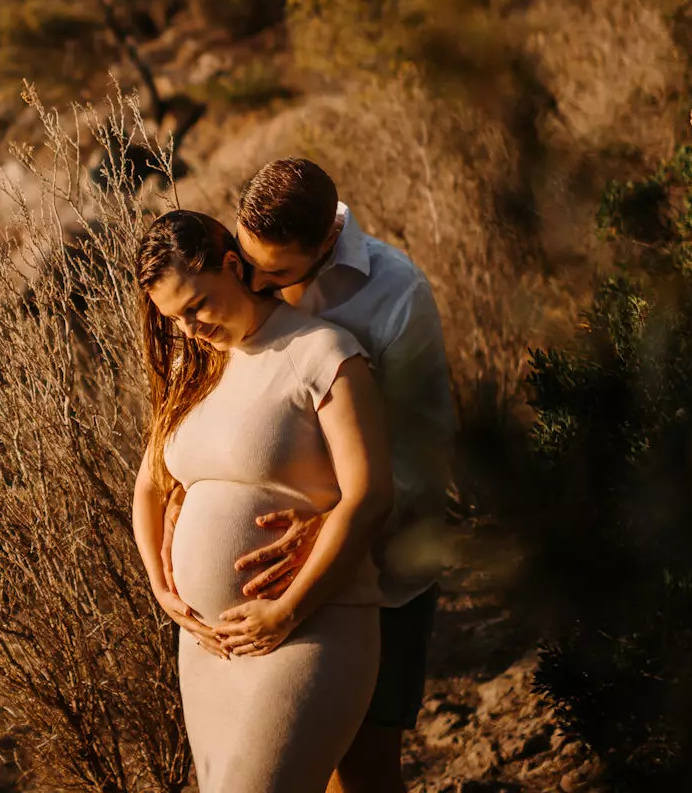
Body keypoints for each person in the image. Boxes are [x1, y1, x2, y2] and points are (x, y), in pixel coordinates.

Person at [165, 159, 457, 793]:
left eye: (279, 273)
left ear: (326, 242)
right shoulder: (227, 279)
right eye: (247, 263)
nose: (259, 284)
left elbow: (428, 451)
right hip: (243, 618)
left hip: (378, 575)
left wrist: (335, 517)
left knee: (363, 772)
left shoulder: (396, 295)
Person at [132, 209, 395, 793]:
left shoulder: (324, 352)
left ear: (231, 266)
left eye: (197, 305)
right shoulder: (190, 367)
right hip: (207, 646)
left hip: (311, 628)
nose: (190, 327)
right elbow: (150, 486)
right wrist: (161, 588)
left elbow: (370, 495)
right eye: (175, 318)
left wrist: (287, 610)